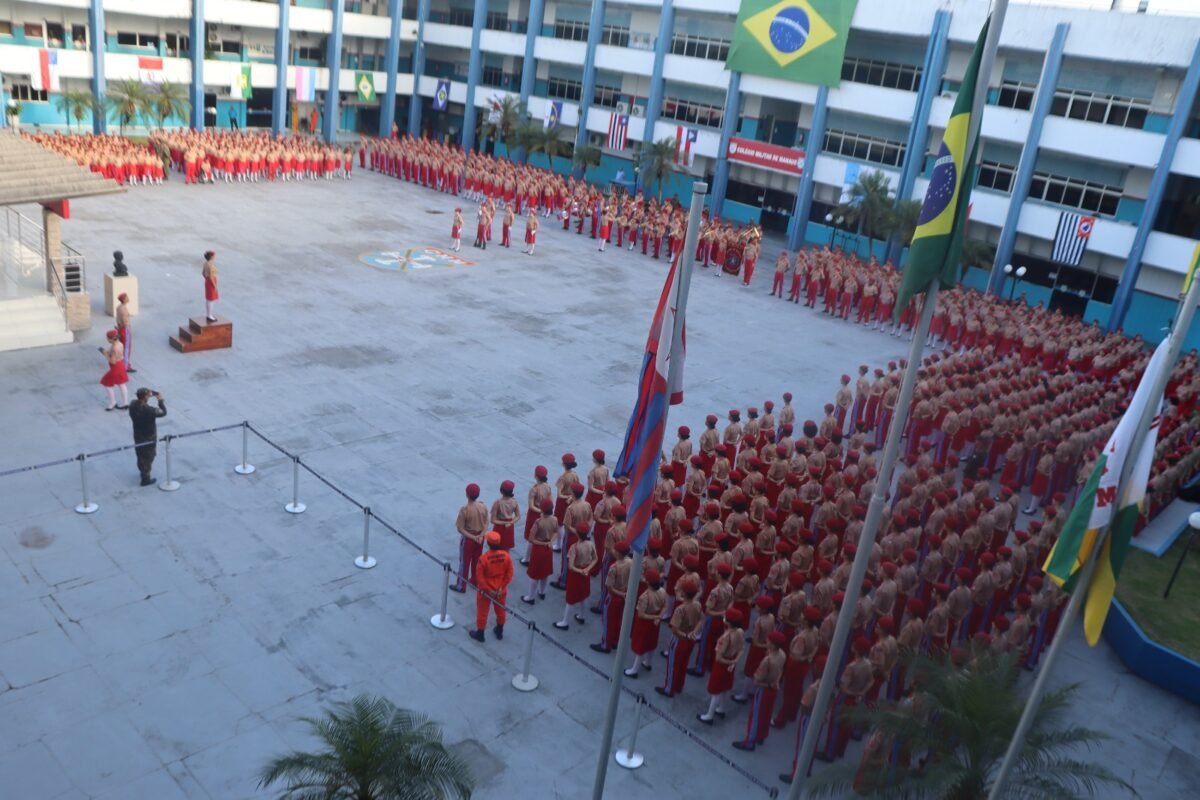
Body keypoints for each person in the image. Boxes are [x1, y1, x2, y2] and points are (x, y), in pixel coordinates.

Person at [469, 531, 514, 642]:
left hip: (486, 591)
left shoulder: (483, 559)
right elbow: (509, 574)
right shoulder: (506, 556)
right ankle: (499, 631)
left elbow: (479, 578)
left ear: (488, 543)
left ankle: (480, 633)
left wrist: (488, 590)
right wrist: (501, 587)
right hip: (500, 590)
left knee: (482, 611)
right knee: (501, 610)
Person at [452, 483, 489, 593]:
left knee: (464, 562)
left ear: (467, 494)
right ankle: (475, 580)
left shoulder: (465, 510)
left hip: (469, 539)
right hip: (480, 538)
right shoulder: (483, 506)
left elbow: (460, 528)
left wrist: (473, 537)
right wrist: (481, 535)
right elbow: (486, 522)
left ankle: (461, 585)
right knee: (477, 561)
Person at [128, 387, 166, 486]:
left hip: (138, 435)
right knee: (149, 456)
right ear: (145, 396)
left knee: (140, 455)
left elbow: (140, 403)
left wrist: (149, 395)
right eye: (148, 395)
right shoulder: (149, 410)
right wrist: (160, 400)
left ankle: (143, 471)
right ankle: (145, 478)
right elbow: (163, 412)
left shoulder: (132, 405)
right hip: (149, 437)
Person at [98, 330, 129, 411]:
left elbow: (112, 361)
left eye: (107, 338)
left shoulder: (114, 347)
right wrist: (106, 352)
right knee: (121, 384)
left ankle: (112, 402)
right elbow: (113, 353)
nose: (107, 339)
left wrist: (105, 355)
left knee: (106, 383)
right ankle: (125, 403)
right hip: (121, 365)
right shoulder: (119, 343)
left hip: (115, 368)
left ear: (111, 339)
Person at [115, 292, 135, 373]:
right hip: (125, 329)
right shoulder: (123, 310)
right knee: (126, 348)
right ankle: (125, 366)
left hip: (121, 328)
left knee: (123, 347)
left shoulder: (119, 307)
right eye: (126, 297)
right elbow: (124, 321)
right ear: (124, 299)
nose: (128, 298)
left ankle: (122, 363)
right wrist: (126, 326)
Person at [202, 250, 219, 322]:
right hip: (211, 281)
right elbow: (212, 276)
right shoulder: (211, 265)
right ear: (211, 256)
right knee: (211, 299)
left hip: (207, 281)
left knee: (208, 299)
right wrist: (215, 286)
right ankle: (210, 315)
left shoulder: (205, 263)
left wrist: (207, 279)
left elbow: (203, 273)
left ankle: (209, 314)